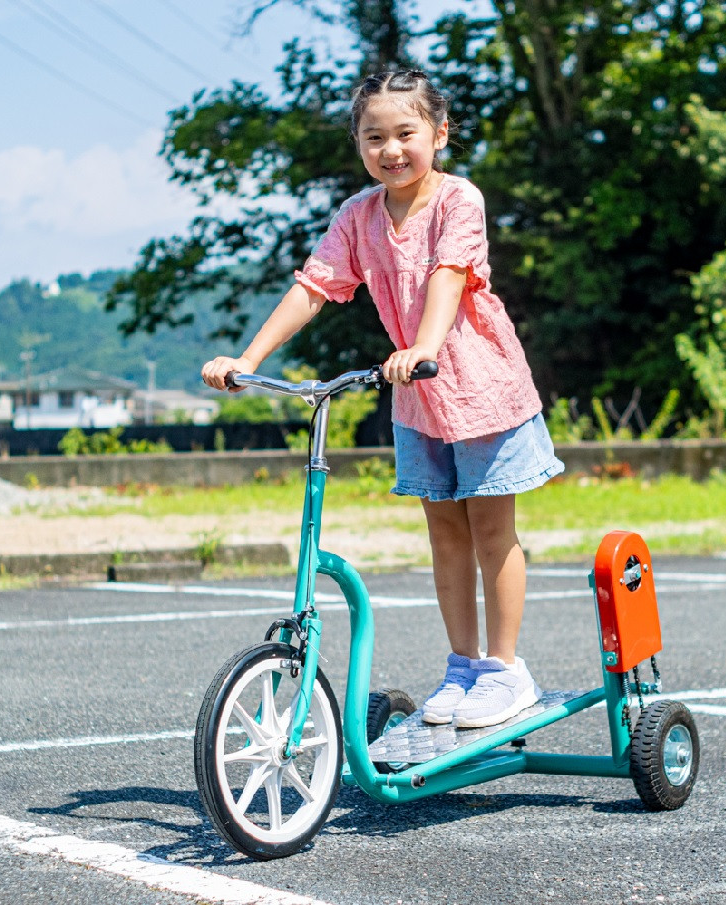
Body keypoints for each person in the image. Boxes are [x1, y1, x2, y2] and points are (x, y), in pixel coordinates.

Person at [202, 69, 564, 730]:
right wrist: (247, 361)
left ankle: (506, 671)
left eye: (406, 133)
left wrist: (422, 346)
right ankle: (464, 666)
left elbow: (449, 278)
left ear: (440, 133)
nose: (391, 149)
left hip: (480, 387)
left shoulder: (460, 200)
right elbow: (314, 287)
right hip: (419, 401)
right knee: (445, 536)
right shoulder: (359, 216)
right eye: (375, 137)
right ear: (359, 145)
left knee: (490, 531)